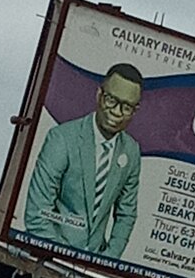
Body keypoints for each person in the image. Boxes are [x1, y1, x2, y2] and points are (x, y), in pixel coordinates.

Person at [23, 63, 143, 258]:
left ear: (135, 110)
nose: (116, 111)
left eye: (126, 107)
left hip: (94, 262)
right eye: (111, 100)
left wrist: (107, 259)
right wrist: (61, 258)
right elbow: (37, 213)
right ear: (99, 95)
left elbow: (126, 214)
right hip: (48, 257)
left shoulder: (132, 151)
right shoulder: (61, 138)